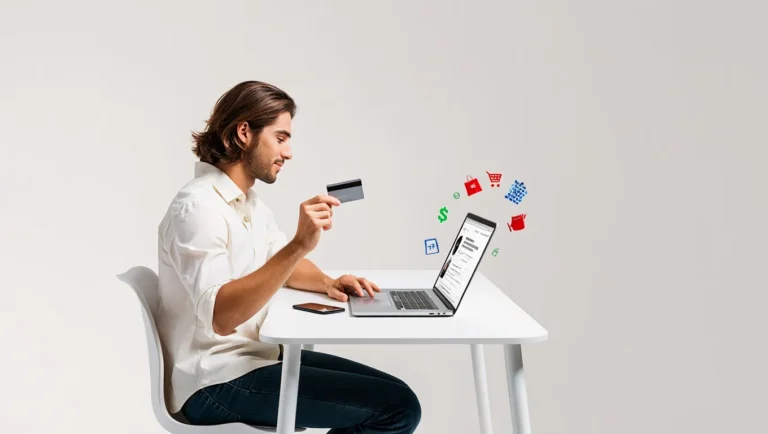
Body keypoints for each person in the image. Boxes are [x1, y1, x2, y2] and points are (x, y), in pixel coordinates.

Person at [156, 81, 422, 433]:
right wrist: (299, 244)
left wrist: (328, 282)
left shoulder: (247, 203)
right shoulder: (198, 209)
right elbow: (221, 316)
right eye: (280, 138)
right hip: (214, 381)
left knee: (399, 396)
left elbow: (284, 264)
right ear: (244, 133)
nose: (289, 152)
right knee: (397, 409)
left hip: (253, 359)